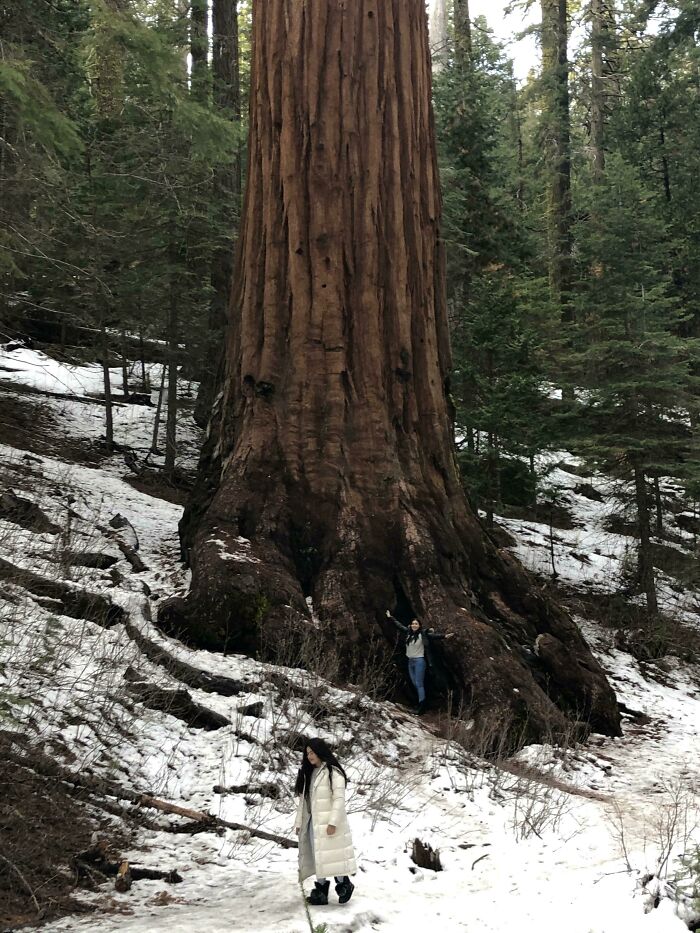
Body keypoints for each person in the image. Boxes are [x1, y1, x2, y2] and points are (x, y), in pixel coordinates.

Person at [294, 738, 357, 906]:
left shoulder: (332, 772)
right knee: (318, 856)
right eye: (307, 753)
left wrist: (333, 822)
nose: (309, 756)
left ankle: (344, 883)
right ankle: (321, 890)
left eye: (312, 752)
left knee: (333, 856)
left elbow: (339, 799)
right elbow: (303, 801)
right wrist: (299, 823)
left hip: (329, 823)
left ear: (320, 751)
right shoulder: (309, 774)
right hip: (313, 822)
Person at [386, 610, 454, 714]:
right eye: (413, 623)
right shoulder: (408, 633)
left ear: (419, 626)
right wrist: (390, 617)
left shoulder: (423, 635)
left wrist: (445, 636)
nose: (414, 625)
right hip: (410, 662)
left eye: (416, 624)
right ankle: (421, 702)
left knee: (419, 684)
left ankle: (421, 707)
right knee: (415, 684)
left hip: (419, 662)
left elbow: (433, 636)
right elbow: (398, 625)